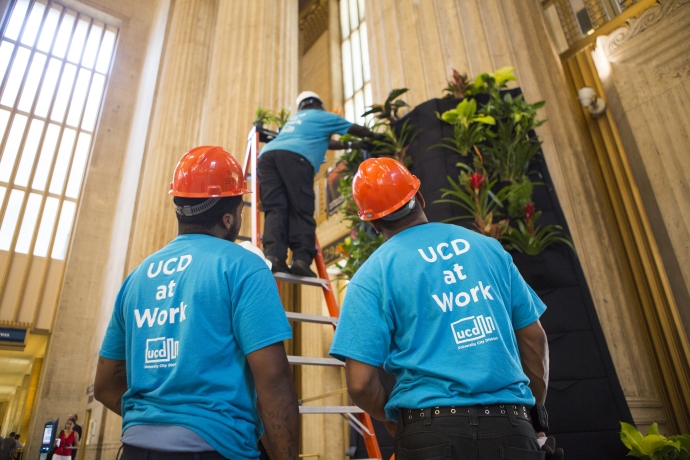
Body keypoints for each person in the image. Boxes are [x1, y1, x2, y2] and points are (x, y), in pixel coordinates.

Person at [329, 158, 554, 459]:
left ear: (371, 222)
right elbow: (534, 339)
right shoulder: (488, 249)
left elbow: (360, 383)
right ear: (419, 196)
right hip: (510, 426)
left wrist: (389, 416)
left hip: (428, 432)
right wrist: (534, 412)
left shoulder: (371, 277)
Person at [95, 146, 299, 460]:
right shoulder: (242, 266)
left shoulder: (137, 278)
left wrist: (160, 419)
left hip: (135, 448)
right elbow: (273, 378)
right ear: (228, 217)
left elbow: (105, 386)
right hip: (213, 449)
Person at [258, 91, 380, 277]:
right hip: (296, 158)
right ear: (319, 105)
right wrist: (374, 137)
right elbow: (354, 129)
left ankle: (273, 258)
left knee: (276, 208)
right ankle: (301, 260)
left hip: (267, 157)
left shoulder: (294, 121)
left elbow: (325, 141)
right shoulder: (323, 116)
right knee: (301, 208)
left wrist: (352, 146)